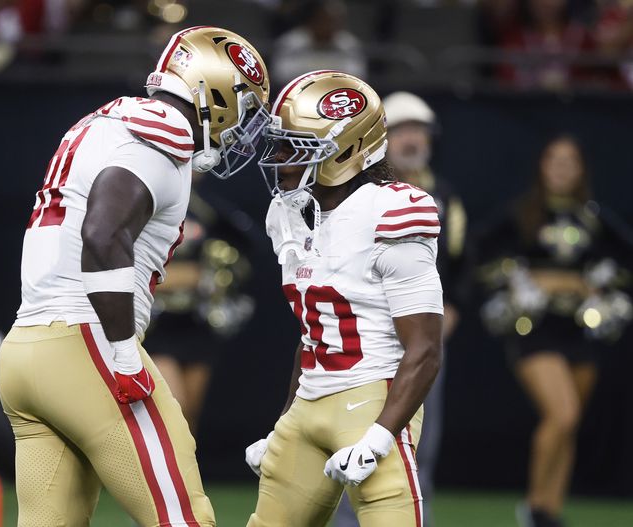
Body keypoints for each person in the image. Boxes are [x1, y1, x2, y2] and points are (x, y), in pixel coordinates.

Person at [0, 26, 270, 526]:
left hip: (25, 346)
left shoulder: (107, 120)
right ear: (214, 92)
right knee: (184, 519)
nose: (240, 126)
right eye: (243, 106)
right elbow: (102, 234)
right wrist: (123, 351)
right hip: (86, 345)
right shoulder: (164, 134)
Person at [245, 70, 443, 527]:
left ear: (344, 150)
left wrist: (379, 438)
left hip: (372, 402)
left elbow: (425, 348)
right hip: (308, 405)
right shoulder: (290, 215)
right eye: (278, 145)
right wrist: (282, 423)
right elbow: (313, 336)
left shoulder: (391, 210)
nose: (278, 160)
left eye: (294, 147)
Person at [476, 135, 633, 527]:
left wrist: (593, 285)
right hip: (534, 330)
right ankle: (533, 508)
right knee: (561, 414)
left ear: (581, 169)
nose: (562, 167)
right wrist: (523, 278)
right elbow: (480, 258)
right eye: (554, 159)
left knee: (570, 423)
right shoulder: (522, 214)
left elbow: (623, 262)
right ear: (542, 166)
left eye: (570, 161)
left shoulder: (593, 217)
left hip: (580, 331)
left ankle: (550, 510)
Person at [334, 91, 468, 527]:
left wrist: (453, 307)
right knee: (352, 428)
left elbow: (459, 260)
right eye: (402, 130)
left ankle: (414, 518)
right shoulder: (358, 193)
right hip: (367, 334)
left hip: (422, 336)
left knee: (420, 437)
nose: (411, 139)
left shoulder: (445, 195)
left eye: (419, 130)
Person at [144, 172, 255, 435]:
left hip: (196, 322)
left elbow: (236, 256)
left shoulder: (208, 208)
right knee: (174, 408)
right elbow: (125, 265)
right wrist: (181, 277)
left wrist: (218, 276)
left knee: (190, 414)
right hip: (158, 325)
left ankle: (184, 463)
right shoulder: (147, 203)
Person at [271, 0, 367, 85]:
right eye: (324, 20)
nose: (329, 25)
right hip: (299, 93)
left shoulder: (348, 44)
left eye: (335, 21)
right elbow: (281, 74)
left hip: (337, 92)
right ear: (313, 20)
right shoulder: (291, 42)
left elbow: (357, 75)